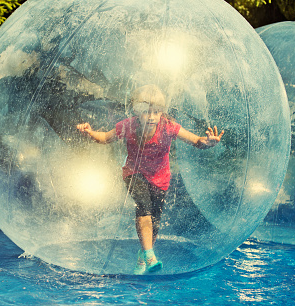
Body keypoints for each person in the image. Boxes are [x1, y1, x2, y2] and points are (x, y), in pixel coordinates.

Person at [76, 85, 224, 274]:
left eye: (156, 112)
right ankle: (149, 255)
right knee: (143, 206)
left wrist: (208, 142)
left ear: (162, 112)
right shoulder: (128, 125)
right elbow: (105, 137)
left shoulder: (168, 127)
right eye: (146, 112)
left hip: (160, 179)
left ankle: (143, 255)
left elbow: (195, 141)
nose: (152, 117)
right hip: (134, 174)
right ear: (137, 112)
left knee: (155, 222)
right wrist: (90, 132)